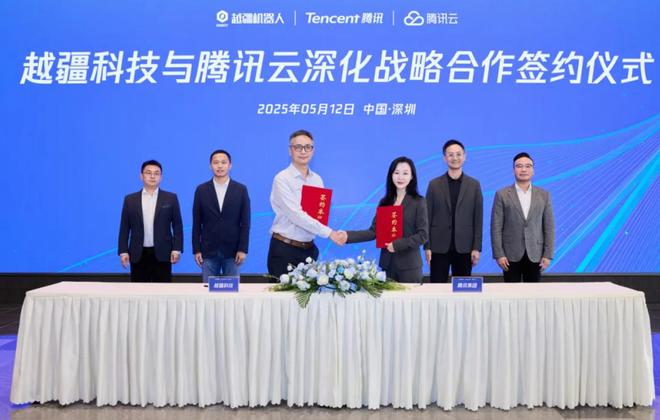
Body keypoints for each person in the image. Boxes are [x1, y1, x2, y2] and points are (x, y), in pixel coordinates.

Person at [267, 129, 346, 278]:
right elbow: (295, 214)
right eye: (298, 147)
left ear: (313, 150)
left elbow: (317, 215)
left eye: (307, 147)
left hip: (309, 250)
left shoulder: (317, 180)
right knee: (282, 294)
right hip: (285, 250)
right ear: (290, 150)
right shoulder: (282, 179)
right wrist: (330, 233)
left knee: (308, 293)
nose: (303, 151)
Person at [343, 157, 429, 283]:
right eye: (396, 172)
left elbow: (423, 235)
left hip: (410, 267)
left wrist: (397, 245)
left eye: (405, 173)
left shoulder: (418, 202)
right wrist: (347, 236)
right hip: (387, 266)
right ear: (391, 175)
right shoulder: (385, 202)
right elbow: (373, 232)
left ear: (412, 177)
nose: (400, 177)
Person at [490, 152, 555, 282]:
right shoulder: (502, 194)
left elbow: (549, 226)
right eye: (519, 166)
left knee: (533, 293)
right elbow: (496, 227)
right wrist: (499, 254)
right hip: (509, 255)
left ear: (533, 170)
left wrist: (548, 254)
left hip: (536, 254)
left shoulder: (544, 195)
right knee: (511, 292)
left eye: (528, 166)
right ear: (513, 170)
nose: (523, 169)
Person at [424, 139, 483, 283]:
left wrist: (476, 248)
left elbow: (478, 219)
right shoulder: (434, 185)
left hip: (465, 247)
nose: (455, 158)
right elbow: (426, 218)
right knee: (437, 288)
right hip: (438, 247)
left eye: (458, 154)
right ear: (445, 158)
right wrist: (427, 246)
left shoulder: (474, 185)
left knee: (462, 289)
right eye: (450, 155)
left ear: (464, 156)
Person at [118, 160, 183, 282]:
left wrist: (177, 249)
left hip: (163, 253)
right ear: (141, 176)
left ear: (161, 177)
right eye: (148, 173)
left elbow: (177, 226)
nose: (152, 176)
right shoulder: (130, 200)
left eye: (156, 173)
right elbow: (124, 228)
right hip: (138, 253)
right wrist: (123, 251)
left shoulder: (171, 198)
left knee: (163, 291)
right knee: (139, 290)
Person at [192, 149, 250, 282]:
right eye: (216, 162)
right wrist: (197, 249)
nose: (220, 166)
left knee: (232, 291)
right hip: (208, 251)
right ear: (210, 166)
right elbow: (197, 222)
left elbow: (245, 222)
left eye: (223, 162)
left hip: (233, 252)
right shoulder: (201, 190)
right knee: (208, 291)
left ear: (230, 165)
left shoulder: (241, 189)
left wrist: (243, 249)